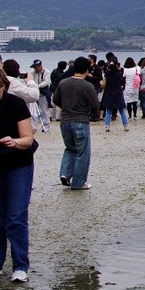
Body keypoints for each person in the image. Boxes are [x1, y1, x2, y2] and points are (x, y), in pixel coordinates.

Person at [0, 67, 37, 282]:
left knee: (16, 217)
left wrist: (14, 142)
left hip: (18, 164)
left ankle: (20, 265)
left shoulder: (15, 104)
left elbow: (28, 138)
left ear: (5, 87)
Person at [53, 56, 100, 191]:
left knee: (70, 149)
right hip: (80, 121)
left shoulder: (63, 83)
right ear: (87, 69)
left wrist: (66, 105)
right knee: (82, 153)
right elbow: (95, 104)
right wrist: (90, 112)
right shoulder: (87, 85)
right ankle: (78, 182)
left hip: (65, 121)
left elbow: (56, 99)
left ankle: (65, 173)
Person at [101, 58, 128, 132]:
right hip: (118, 93)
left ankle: (107, 126)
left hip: (109, 93)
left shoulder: (107, 73)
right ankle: (125, 126)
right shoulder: (119, 74)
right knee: (122, 110)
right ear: (116, 65)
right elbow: (122, 82)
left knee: (108, 111)